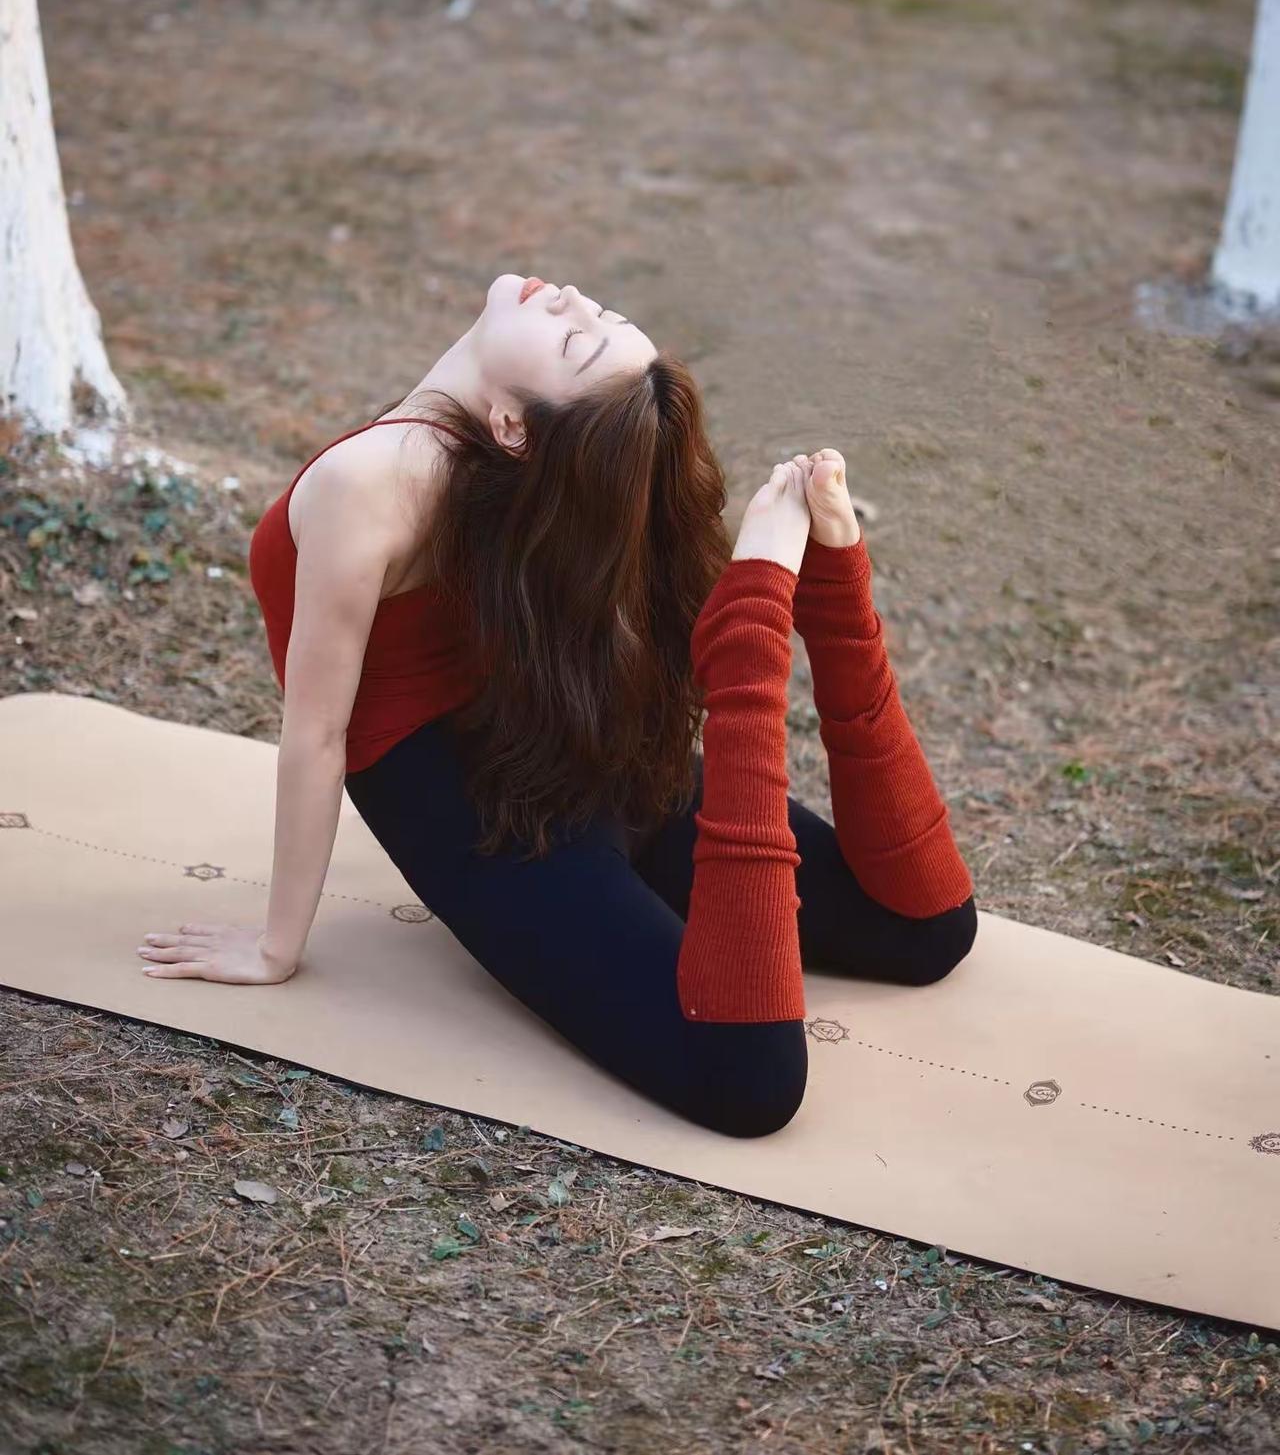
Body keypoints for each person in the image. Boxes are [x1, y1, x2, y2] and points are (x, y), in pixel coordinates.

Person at [134, 272, 978, 1137]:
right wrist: (279, 943)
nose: (569, 296)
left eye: (579, 335)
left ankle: (754, 635)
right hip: (498, 801)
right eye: (595, 314)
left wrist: (825, 588)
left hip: (540, 770)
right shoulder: (460, 469)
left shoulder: (400, 474)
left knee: (902, 947)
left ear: (511, 425)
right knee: (766, 1052)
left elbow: (318, 734)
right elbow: (327, 731)